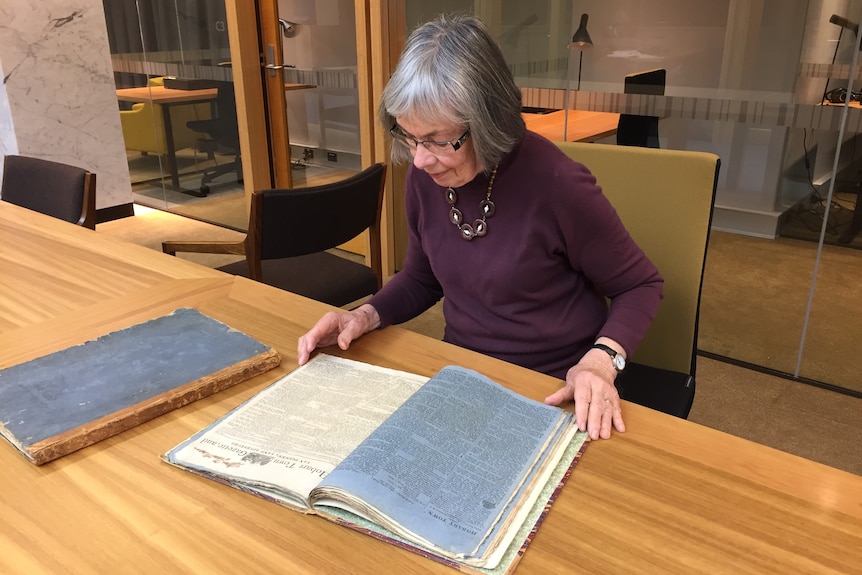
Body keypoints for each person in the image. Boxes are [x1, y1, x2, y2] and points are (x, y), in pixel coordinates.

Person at [297, 14, 663, 440]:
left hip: (557, 387)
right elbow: (421, 277)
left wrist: (600, 362)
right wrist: (362, 315)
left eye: (436, 139)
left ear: (489, 121)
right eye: (410, 137)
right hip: (465, 378)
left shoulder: (559, 185)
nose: (418, 158)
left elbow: (640, 285)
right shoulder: (424, 176)